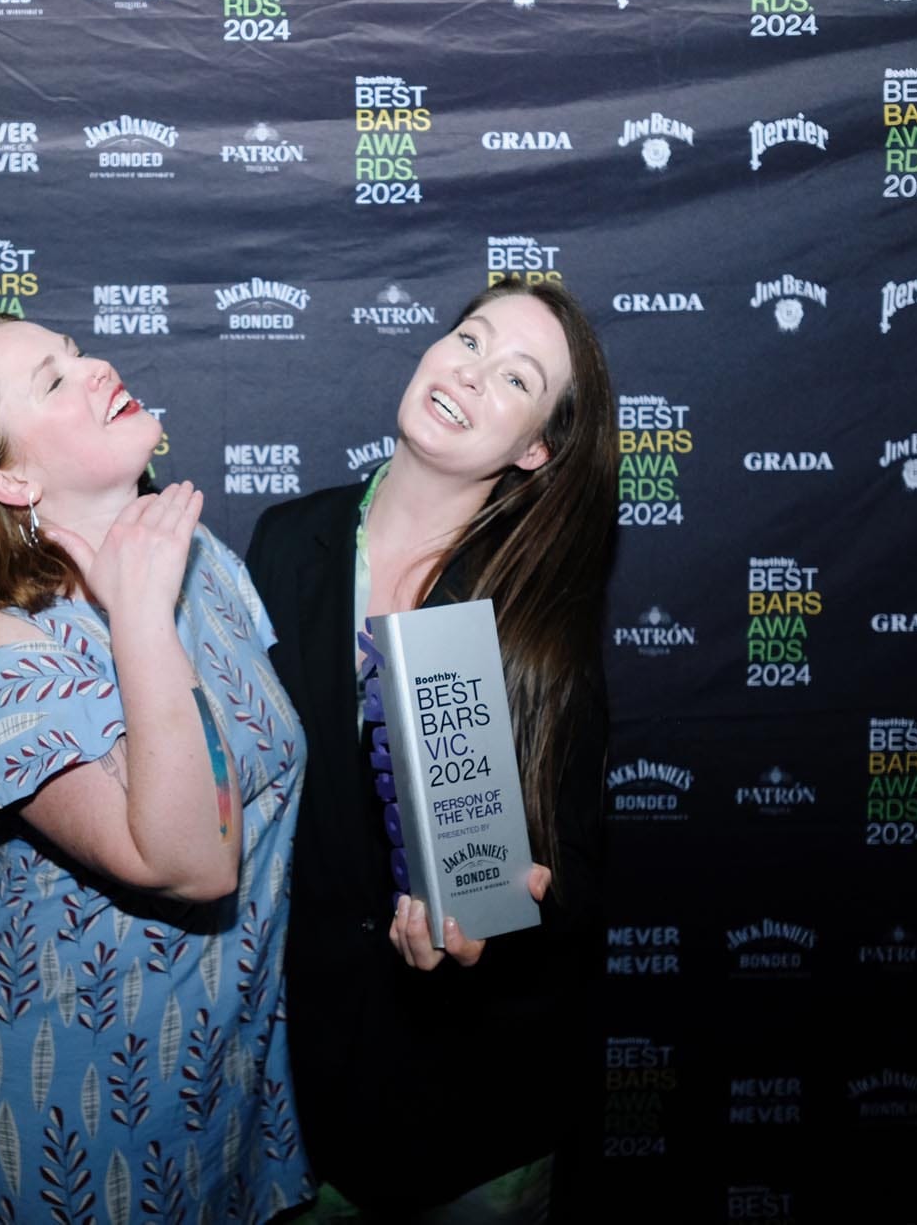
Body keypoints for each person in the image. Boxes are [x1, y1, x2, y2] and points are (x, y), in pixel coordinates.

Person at [0, 312, 314, 1223]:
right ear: (10, 478)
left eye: (78, 353)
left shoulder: (201, 558)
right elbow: (189, 861)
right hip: (76, 1100)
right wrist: (139, 617)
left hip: (225, 1067)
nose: (95, 368)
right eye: (51, 379)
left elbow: (268, 782)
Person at [246, 278, 617, 1219]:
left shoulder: (536, 621)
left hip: (479, 1104)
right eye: (468, 337)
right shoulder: (286, 542)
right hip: (305, 1096)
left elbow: (571, 871)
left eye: (515, 376)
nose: (469, 369)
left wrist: (504, 919)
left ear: (537, 447)